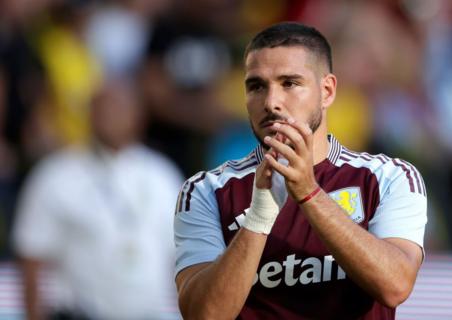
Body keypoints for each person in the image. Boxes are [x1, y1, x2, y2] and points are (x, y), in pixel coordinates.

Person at [174, 22, 427, 319]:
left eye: (290, 83)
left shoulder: (388, 177)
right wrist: (259, 217)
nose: (271, 102)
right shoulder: (206, 190)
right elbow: (204, 315)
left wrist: (309, 193)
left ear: (328, 91)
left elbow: (396, 286)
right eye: (256, 86)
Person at [13, 79, 183, 320]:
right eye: (103, 108)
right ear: (89, 114)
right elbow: (31, 256)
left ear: (139, 116)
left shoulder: (162, 175)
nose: (111, 116)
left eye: (120, 108)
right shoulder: (56, 174)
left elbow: (181, 257)